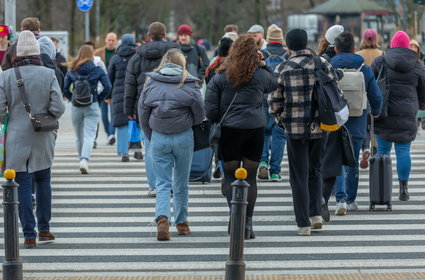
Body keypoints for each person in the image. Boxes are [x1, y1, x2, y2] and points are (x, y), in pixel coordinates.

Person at [206, 34, 278, 239]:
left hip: (229, 130)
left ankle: (234, 217)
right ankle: (248, 223)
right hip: (255, 129)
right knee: (250, 178)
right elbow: (275, 83)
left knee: (230, 177)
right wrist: (264, 65)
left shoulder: (221, 76)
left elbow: (210, 111)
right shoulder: (260, 75)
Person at [0, 31, 66, 248]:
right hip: (43, 135)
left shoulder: (6, 75)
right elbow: (59, 107)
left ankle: (29, 234)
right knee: (44, 180)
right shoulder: (48, 74)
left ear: (17, 51)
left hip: (17, 137)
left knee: (23, 184)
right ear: (37, 51)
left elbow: (0, 112)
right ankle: (45, 229)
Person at [269, 28, 336, 236]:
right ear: (307, 42)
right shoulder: (321, 63)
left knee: (298, 175)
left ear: (287, 46)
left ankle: (303, 223)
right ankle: (316, 213)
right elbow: (335, 90)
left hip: (294, 128)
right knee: (315, 169)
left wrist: (282, 121)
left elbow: (274, 102)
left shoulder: (283, 67)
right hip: (321, 125)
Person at [139, 49, 205, 241]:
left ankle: (162, 220)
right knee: (181, 182)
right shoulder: (189, 82)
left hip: (159, 135)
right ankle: (182, 223)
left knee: (162, 182)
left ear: (163, 63)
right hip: (183, 136)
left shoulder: (150, 83)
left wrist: (152, 135)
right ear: (181, 63)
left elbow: (143, 113)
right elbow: (200, 113)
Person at [329, 32, 382, 213]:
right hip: (357, 119)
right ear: (354, 48)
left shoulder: (329, 66)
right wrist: (375, 112)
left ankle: (340, 199)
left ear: (335, 49)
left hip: (334, 120)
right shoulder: (363, 67)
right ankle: (351, 200)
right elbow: (375, 95)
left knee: (336, 160)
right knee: (352, 161)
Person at [371, 31, 425, 201]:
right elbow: (423, 92)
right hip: (407, 114)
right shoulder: (417, 65)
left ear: (392, 44)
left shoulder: (380, 61)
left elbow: (371, 86)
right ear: (408, 45)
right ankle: (404, 188)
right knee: (403, 151)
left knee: (383, 151)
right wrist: (419, 106)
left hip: (384, 113)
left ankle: (382, 187)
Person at [125, 22, 176, 197]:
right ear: (165, 34)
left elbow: (130, 85)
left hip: (144, 106)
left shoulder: (137, 57)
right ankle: (169, 184)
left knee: (150, 148)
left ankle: (154, 185)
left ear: (149, 35)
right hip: (171, 105)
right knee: (170, 147)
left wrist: (129, 109)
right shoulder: (174, 54)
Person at [64, 45, 111, 174]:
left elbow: (65, 87)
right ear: (91, 55)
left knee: (79, 136)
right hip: (92, 104)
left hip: (76, 106)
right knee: (89, 135)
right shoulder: (97, 70)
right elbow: (107, 86)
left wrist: (71, 98)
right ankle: (84, 160)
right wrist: (99, 98)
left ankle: (81, 160)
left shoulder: (72, 70)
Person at [258, 24, 287, 182]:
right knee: (279, 135)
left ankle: (263, 161)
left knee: (264, 132)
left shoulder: (261, 54)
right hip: (282, 100)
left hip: (263, 99)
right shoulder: (287, 54)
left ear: (268, 39)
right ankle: (275, 171)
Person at [106, 34, 140, 162]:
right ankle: (137, 151)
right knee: (137, 122)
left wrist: (108, 96)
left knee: (121, 124)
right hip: (135, 93)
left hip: (118, 94)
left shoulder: (115, 57)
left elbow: (110, 79)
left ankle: (124, 153)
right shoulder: (138, 56)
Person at [356, 29, 384, 169]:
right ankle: (374, 149)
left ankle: (365, 147)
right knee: (376, 126)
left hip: (361, 95)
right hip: (378, 94)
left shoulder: (358, 56)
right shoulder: (382, 55)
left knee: (364, 125)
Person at [95, 32, 118, 145]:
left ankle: (112, 134)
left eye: (113, 40)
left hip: (115, 87)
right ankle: (109, 134)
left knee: (114, 112)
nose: (111, 42)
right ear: (105, 40)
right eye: (109, 40)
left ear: (116, 41)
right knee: (104, 113)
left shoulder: (118, 53)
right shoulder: (98, 53)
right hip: (102, 87)